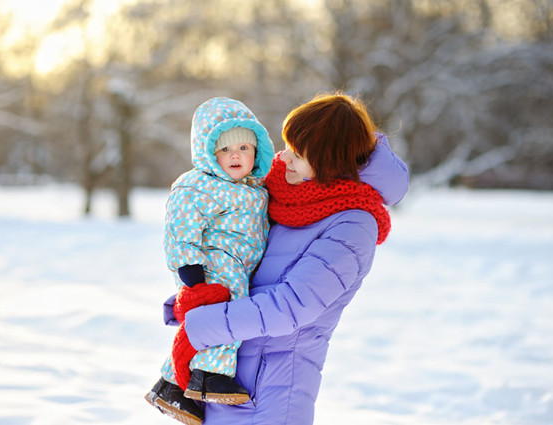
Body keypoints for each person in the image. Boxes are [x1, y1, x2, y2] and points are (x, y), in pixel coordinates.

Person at [168, 92, 409, 425]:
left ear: (328, 162)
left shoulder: (353, 224)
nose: (285, 158)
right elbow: (246, 264)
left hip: (271, 393)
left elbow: (291, 306)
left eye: (299, 153)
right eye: (288, 146)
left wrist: (203, 324)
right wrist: (199, 295)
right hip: (224, 374)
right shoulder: (285, 197)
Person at [145, 97, 275, 424]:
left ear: (257, 152)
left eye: (244, 148)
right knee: (227, 313)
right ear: (208, 154)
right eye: (224, 149)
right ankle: (208, 374)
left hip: (241, 266)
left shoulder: (257, 188)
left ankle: (171, 386)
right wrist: (190, 270)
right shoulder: (198, 186)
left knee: (210, 322)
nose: (235, 155)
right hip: (211, 264)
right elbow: (179, 228)